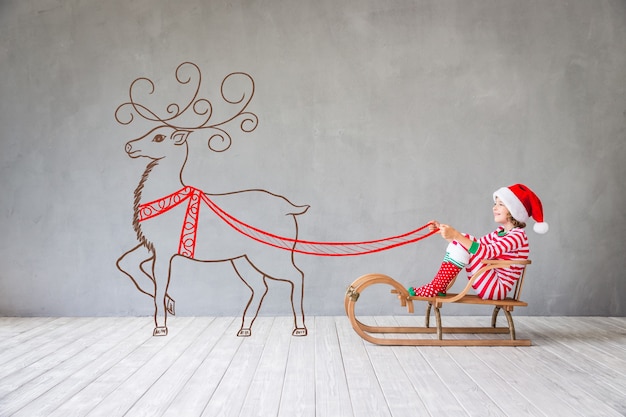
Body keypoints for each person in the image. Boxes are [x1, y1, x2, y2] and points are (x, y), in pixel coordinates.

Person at [409, 184, 548, 300]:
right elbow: (470, 247)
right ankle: (438, 286)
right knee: (466, 240)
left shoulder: (517, 236)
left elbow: (485, 252)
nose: (494, 207)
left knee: (465, 238)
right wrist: (442, 231)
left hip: (496, 288)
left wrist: (457, 235)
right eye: (495, 203)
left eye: (501, 204)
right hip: (488, 281)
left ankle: (437, 286)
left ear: (514, 211)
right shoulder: (499, 232)